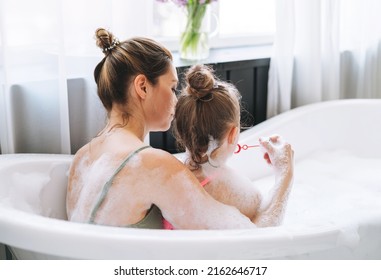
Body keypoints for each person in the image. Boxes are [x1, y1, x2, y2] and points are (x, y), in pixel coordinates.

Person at [66, 28, 293, 230]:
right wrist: (285, 172)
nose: (176, 100)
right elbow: (255, 240)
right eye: (173, 87)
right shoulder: (153, 165)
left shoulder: (82, 157)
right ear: (143, 87)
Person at [170, 64, 294, 228]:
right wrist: (286, 173)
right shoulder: (232, 191)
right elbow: (262, 235)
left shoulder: (168, 172)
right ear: (233, 133)